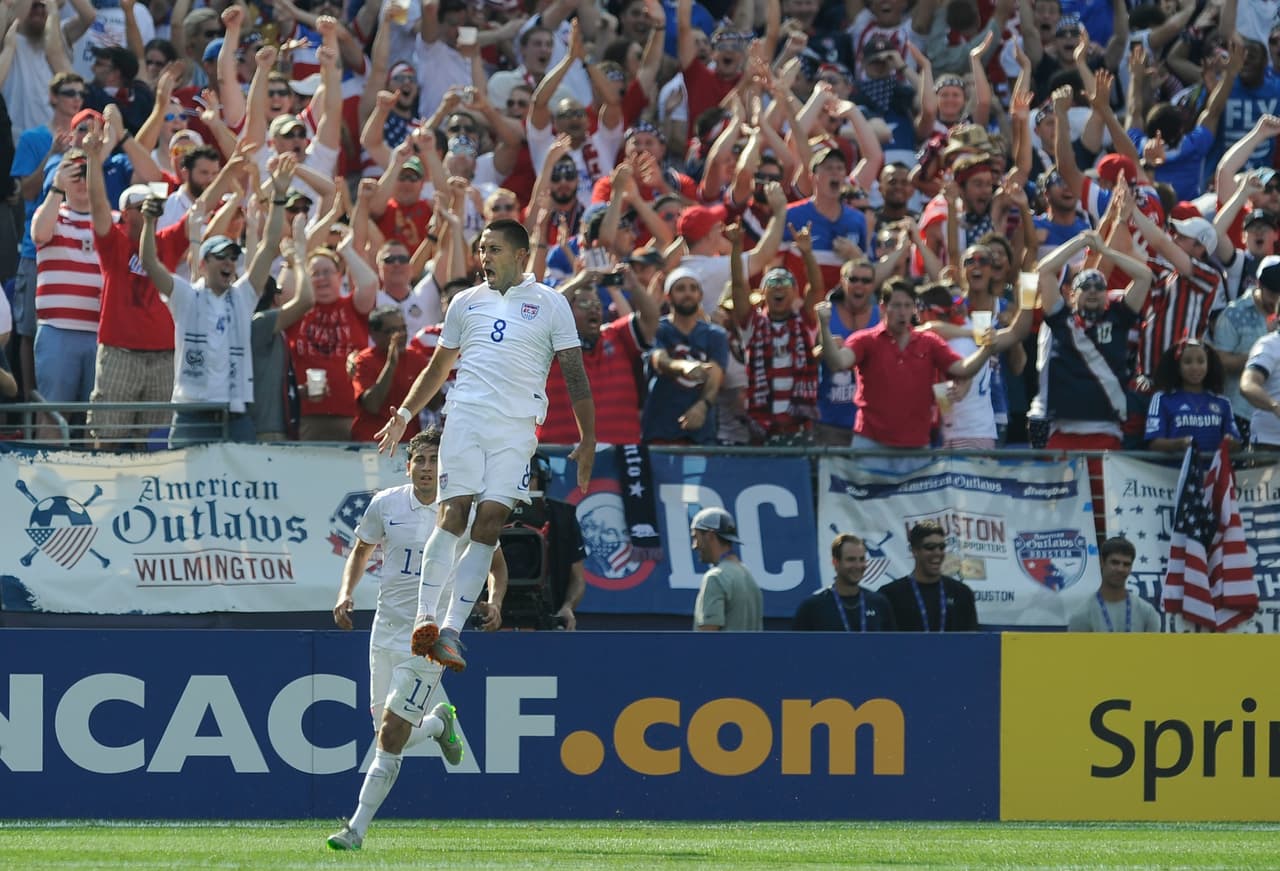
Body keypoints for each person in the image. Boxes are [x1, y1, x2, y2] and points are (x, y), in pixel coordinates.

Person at [374, 218, 595, 673]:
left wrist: (587, 438)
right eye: (481, 249)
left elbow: (574, 373)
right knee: (454, 511)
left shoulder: (551, 304)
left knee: (491, 523)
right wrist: (402, 415)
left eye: (492, 249)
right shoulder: (464, 302)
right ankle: (426, 619)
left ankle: (452, 632)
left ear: (519, 255)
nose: (483, 258)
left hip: (517, 429)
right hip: (467, 417)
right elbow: (438, 368)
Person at [327, 428, 505, 851]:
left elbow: (495, 561)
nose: (426, 468)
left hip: (430, 637)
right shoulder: (386, 504)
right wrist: (345, 593)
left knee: (390, 737)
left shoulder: (462, 511)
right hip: (385, 631)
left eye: (434, 460)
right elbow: (361, 549)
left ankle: (355, 829)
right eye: (419, 460)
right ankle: (441, 722)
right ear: (408, 465)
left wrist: (495, 600)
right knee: (388, 733)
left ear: (446, 466)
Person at [879, 520, 980, 632]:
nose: (937, 553)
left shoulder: (962, 593)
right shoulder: (889, 595)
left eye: (941, 547)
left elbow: (972, 641)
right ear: (914, 551)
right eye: (930, 547)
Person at [1144, 339, 1240, 454]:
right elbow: (1153, 443)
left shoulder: (1223, 403)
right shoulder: (1162, 399)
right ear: (1178, 367)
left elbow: (1237, 446)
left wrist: (1231, 443)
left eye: (1201, 361)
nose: (1195, 367)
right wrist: (1179, 444)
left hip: (1211, 471)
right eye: (1188, 362)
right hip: (1172, 471)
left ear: (1208, 365)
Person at [350, 305, 429, 442]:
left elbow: (434, 404)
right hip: (371, 443)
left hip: (407, 443)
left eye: (403, 328)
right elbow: (372, 405)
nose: (401, 334)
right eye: (392, 331)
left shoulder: (417, 359)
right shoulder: (364, 361)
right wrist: (391, 364)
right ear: (374, 334)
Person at [793, 533, 897, 631]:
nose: (858, 565)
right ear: (835, 562)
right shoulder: (812, 606)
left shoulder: (879, 603)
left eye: (862, 559)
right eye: (851, 560)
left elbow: (892, 645)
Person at [690, 506, 762, 631]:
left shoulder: (715, 577)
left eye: (696, 537)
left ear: (710, 535)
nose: (694, 546)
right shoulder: (748, 576)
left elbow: (707, 637)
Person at [1067, 537, 1162, 632]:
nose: (1120, 569)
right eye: (1115, 563)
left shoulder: (1147, 613)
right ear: (1101, 562)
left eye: (1126, 564)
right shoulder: (1082, 616)